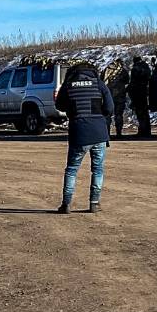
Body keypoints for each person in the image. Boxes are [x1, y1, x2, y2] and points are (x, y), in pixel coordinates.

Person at [53, 62, 114, 214]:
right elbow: (109, 107)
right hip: (99, 132)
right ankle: (94, 203)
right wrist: (99, 115)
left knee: (72, 170)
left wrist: (73, 109)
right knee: (97, 170)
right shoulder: (98, 83)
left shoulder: (68, 85)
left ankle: (66, 205)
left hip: (78, 132)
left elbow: (59, 105)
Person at [103, 58, 130, 138]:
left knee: (107, 115)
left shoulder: (106, 69)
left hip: (108, 96)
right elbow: (127, 81)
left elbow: (102, 81)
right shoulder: (122, 70)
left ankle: (107, 133)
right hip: (119, 95)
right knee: (118, 115)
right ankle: (119, 133)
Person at [129, 55, 153, 136]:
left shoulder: (135, 68)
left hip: (137, 93)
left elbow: (133, 82)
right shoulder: (146, 67)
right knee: (144, 112)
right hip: (144, 92)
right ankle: (147, 130)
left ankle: (142, 130)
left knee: (139, 112)